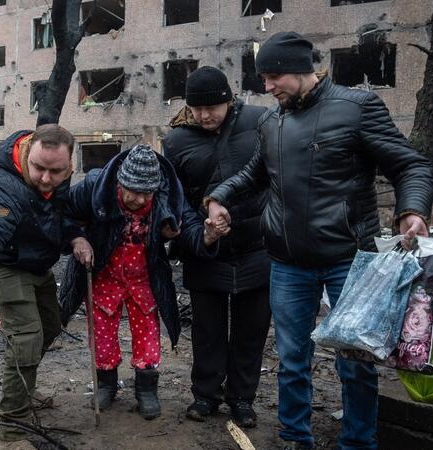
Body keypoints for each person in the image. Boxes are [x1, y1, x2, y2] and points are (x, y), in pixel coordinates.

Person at [205, 32, 433, 450]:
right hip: (287, 263)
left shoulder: (356, 107)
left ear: (302, 70)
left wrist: (413, 209)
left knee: (356, 362)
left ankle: (358, 442)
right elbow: (255, 173)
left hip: (349, 261)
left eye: (274, 76)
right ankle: (296, 437)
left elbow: (410, 164)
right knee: (292, 359)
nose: (267, 87)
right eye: (263, 78)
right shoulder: (271, 122)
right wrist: (219, 197)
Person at [58, 144, 223, 420]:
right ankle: (106, 385)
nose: (137, 199)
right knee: (101, 332)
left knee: (147, 330)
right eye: (131, 191)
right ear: (120, 181)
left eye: (145, 193)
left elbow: (190, 226)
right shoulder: (95, 186)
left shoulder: (167, 195)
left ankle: (146, 390)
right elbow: (63, 214)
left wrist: (203, 238)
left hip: (144, 276)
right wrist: (77, 239)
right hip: (103, 273)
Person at [0, 124, 88, 449]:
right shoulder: (7, 187)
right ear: (28, 154)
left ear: (70, 166)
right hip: (7, 267)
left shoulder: (59, 179)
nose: (46, 178)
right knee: (26, 340)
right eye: (38, 168)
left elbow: (61, 214)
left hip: (38, 267)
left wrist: (76, 237)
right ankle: (11, 433)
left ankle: (23, 387)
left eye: (55, 171)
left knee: (51, 326)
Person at [163, 66, 271, 427]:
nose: (206, 115)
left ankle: (243, 398)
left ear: (229, 100)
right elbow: (176, 202)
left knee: (251, 330)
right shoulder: (176, 141)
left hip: (257, 246)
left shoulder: (260, 122)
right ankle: (205, 396)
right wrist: (203, 235)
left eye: (214, 107)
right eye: (198, 109)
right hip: (205, 250)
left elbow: (277, 178)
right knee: (207, 331)